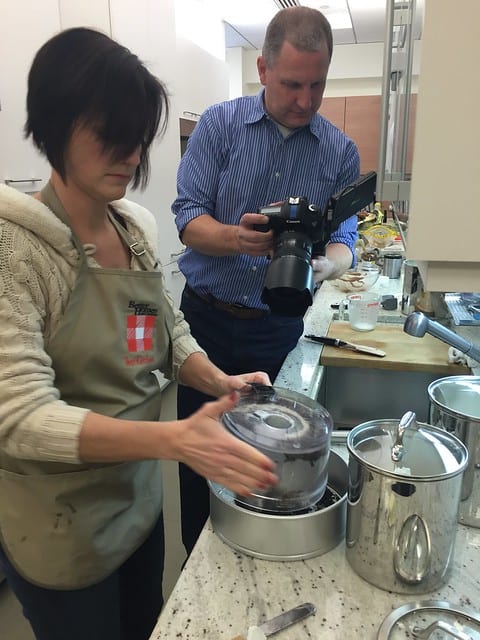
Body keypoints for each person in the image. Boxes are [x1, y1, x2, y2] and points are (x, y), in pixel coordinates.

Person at [0, 27, 278, 640]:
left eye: (137, 137)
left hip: (136, 507)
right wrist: (173, 440)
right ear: (54, 124)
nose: (129, 154)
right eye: (110, 133)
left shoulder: (131, 228)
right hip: (62, 532)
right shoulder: (15, 250)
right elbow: (19, 418)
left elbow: (163, 326)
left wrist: (218, 377)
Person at [172, 5, 361, 555]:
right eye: (292, 84)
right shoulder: (219, 125)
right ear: (262, 69)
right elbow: (187, 219)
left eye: (317, 85)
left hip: (277, 327)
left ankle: (255, 559)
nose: (305, 100)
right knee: (200, 454)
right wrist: (237, 238)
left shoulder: (338, 151)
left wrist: (329, 265)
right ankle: (198, 564)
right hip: (204, 322)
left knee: (272, 460)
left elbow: (345, 237)